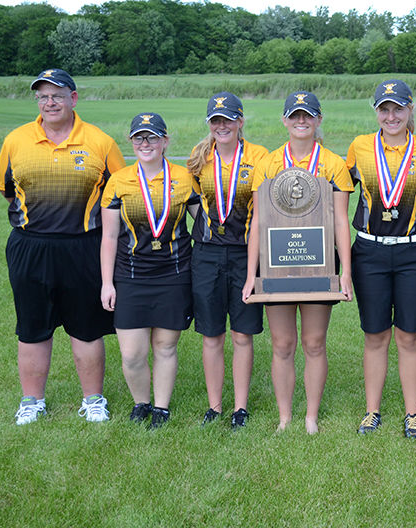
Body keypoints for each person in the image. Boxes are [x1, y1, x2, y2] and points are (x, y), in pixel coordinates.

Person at [0, 68, 125, 425]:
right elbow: (9, 190)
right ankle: (32, 401)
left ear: (74, 98)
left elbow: (118, 194)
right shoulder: (15, 140)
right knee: (33, 326)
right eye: (43, 96)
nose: (49, 102)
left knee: (86, 326)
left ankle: (93, 400)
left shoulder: (100, 141)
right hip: (30, 246)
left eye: (57, 95)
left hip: (83, 246)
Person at [242, 91, 353, 434]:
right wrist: (251, 276)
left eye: (308, 115)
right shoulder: (270, 163)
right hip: (277, 266)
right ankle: (285, 417)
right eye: (295, 116)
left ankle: (311, 418)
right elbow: (258, 222)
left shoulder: (333, 163)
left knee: (314, 343)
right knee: (282, 343)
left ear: (319, 119)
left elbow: (339, 222)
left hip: (319, 267)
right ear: (285, 120)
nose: (301, 121)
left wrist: (345, 272)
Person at [346, 80, 416, 438]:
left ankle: (412, 413)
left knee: (409, 335)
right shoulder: (359, 148)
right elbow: (333, 193)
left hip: (415, 252)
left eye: (398, 108)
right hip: (370, 251)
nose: (391, 116)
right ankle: (372, 411)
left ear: (410, 110)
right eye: (384, 109)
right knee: (375, 334)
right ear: (376, 112)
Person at [100, 112, 200, 429]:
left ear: (165, 141)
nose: (146, 143)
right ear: (131, 142)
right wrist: (107, 283)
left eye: (152, 137)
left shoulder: (184, 178)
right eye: (139, 137)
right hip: (130, 277)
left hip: (174, 274)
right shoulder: (118, 181)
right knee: (132, 353)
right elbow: (109, 237)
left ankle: (161, 407)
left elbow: (206, 225)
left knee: (165, 347)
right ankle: (141, 402)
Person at [187, 92, 269, 428]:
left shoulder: (259, 156)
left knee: (241, 334)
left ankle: (240, 407)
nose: (222, 126)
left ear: (240, 121)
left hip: (244, 252)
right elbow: (192, 199)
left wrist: (252, 270)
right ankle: (215, 406)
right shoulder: (199, 156)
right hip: (206, 254)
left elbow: (262, 214)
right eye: (215, 121)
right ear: (210, 124)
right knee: (211, 335)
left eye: (228, 119)